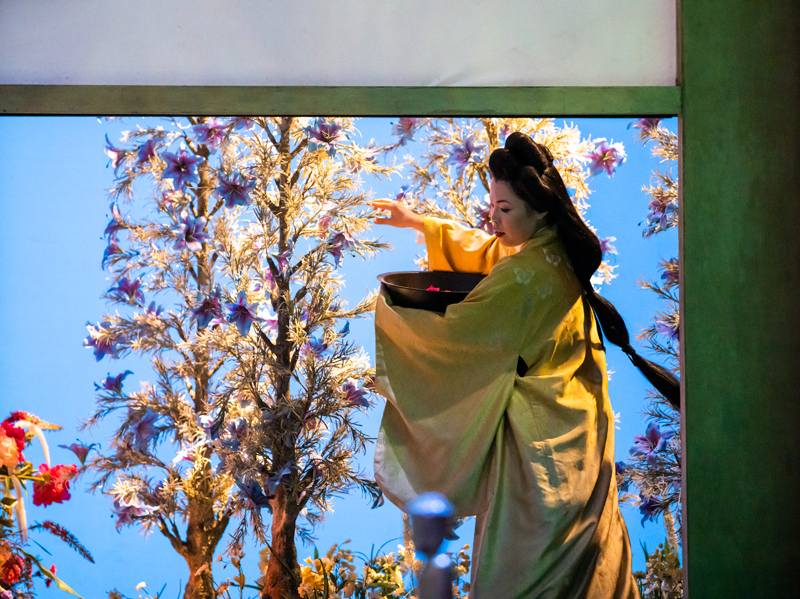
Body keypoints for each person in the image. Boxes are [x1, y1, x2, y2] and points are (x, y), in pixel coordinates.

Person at [368, 132, 679, 599]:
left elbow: (456, 337)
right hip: (583, 437)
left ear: (539, 206)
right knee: (591, 569)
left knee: (524, 578)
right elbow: (495, 251)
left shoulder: (525, 277)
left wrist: (393, 318)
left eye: (504, 209)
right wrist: (421, 223)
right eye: (491, 207)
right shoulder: (554, 251)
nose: (493, 220)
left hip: (541, 460)